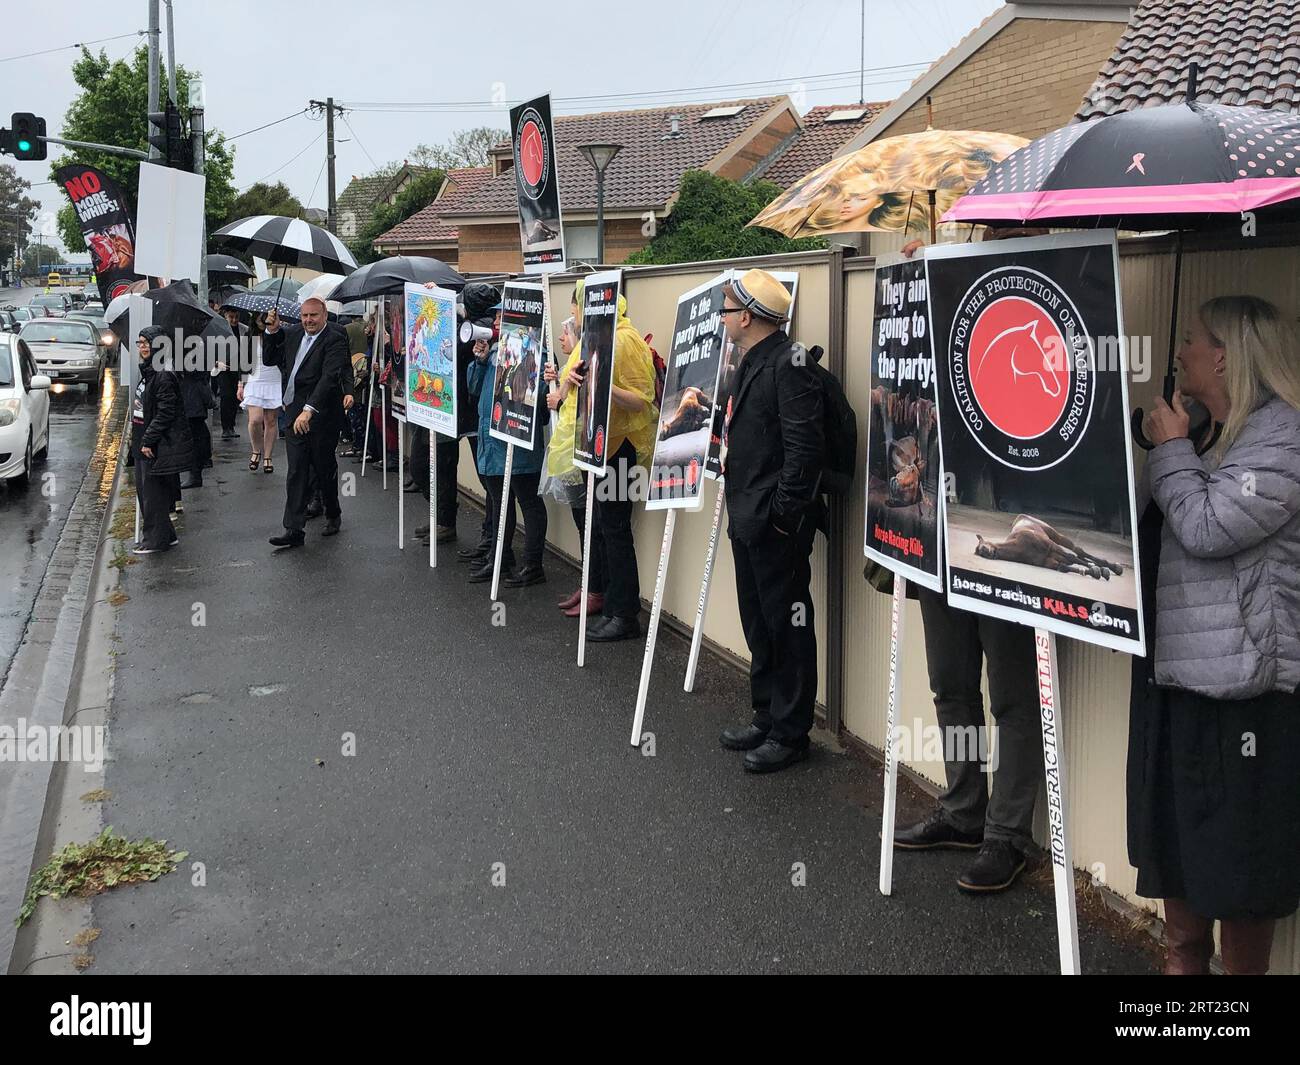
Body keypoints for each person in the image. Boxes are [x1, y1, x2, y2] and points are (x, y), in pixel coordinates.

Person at [1130, 295, 1300, 975]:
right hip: (1181, 682)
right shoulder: (1214, 431)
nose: (1182, 350)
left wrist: (1171, 451)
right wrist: (1175, 443)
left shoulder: (1284, 438)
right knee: (1178, 861)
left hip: (1246, 697)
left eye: (1193, 340)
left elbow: (1204, 527)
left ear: (1225, 355)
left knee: (1241, 875)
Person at [888, 230, 1043, 891]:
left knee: (1011, 694)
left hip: (997, 534)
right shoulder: (927, 341)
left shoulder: (1028, 327)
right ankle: (963, 809)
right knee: (951, 683)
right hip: (935, 536)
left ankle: (1008, 835)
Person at [715, 269, 824, 773]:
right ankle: (766, 713)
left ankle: (790, 733)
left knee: (788, 627)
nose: (721, 316)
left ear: (748, 316)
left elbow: (804, 453)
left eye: (726, 309)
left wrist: (782, 517)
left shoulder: (789, 364)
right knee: (758, 621)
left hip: (773, 526)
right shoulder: (751, 361)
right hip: (748, 518)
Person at [561, 283, 657, 642]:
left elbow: (642, 401)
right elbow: (573, 385)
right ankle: (609, 602)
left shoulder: (625, 339)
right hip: (595, 444)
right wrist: (573, 380)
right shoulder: (596, 336)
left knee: (616, 531)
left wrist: (603, 387)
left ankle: (625, 614)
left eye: (578, 311)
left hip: (619, 448)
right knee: (601, 527)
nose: (575, 319)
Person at [465, 312, 549, 586]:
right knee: (501, 504)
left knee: (528, 501)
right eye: (496, 318)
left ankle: (533, 564)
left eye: (503, 318)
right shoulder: (491, 354)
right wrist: (479, 361)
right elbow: (474, 389)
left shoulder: (536, 351)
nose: (496, 323)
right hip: (492, 441)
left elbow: (540, 398)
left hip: (517, 441)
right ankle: (500, 557)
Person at [260, 298, 348, 547]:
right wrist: (272, 330)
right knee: (297, 470)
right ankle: (294, 529)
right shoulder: (293, 333)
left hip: (322, 414)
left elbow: (330, 378)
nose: (308, 320)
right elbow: (269, 359)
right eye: (304, 316)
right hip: (294, 410)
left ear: (324, 315)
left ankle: (333, 512)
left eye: (313, 316)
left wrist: (310, 410)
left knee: (323, 468)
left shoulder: (335, 337)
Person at [544, 289, 607, 617]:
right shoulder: (572, 359)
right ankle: (588, 585)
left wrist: (560, 394)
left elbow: (574, 404)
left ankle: (594, 588)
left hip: (580, 450)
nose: (561, 336)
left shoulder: (584, 354)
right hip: (573, 450)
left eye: (567, 329)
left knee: (590, 525)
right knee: (585, 525)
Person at [131, 326, 192, 555]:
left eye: (147, 342)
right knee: (145, 490)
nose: (143, 347)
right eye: (140, 343)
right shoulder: (150, 370)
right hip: (143, 439)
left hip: (155, 443)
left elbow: (166, 412)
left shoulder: (163, 374)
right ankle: (166, 534)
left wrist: (148, 439)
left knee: (152, 494)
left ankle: (155, 540)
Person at [238, 310, 283, 474]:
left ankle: (268, 457)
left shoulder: (278, 334)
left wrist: (274, 330)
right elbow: (243, 361)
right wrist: (240, 384)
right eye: (257, 316)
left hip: (274, 378)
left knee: (271, 420)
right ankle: (256, 450)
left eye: (263, 316)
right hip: (254, 379)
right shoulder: (248, 336)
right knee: (255, 420)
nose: (260, 319)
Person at [178, 364, 216, 489]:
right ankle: (198, 469)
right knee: (198, 432)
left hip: (191, 393)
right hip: (194, 391)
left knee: (195, 434)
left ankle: (195, 474)